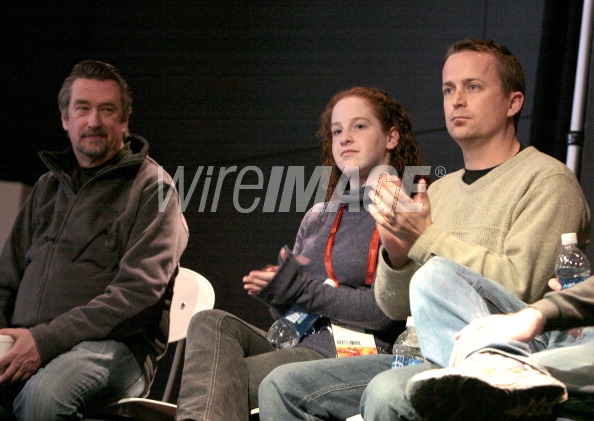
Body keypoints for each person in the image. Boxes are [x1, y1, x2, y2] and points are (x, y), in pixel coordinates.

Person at [258, 39, 591, 421]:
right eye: (449, 89)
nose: (456, 101)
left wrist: (425, 239)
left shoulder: (547, 180)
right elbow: (394, 306)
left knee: (388, 389)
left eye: (473, 87)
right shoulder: (439, 190)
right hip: (423, 351)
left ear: (513, 103)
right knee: (283, 386)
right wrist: (397, 257)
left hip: (512, 356)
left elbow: (521, 286)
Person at [175, 87, 424, 421]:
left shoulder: (407, 209)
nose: (345, 138)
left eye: (359, 126)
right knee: (210, 322)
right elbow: (290, 316)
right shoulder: (319, 215)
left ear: (392, 137)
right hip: (299, 345)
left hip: (357, 352)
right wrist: (277, 293)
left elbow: (387, 312)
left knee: (218, 381)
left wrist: (303, 290)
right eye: (337, 131)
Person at [0, 60, 189, 420]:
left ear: (124, 120)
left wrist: (44, 341)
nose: (93, 122)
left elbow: (137, 294)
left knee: (43, 398)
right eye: (82, 109)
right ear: (65, 119)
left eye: (107, 110)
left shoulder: (153, 187)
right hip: (29, 340)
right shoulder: (47, 187)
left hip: (115, 347)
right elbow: (5, 278)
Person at [405, 269, 594, 420]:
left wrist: (540, 314)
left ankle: (500, 368)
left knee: (386, 390)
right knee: (431, 276)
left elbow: (522, 282)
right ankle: (494, 362)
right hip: (558, 328)